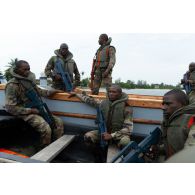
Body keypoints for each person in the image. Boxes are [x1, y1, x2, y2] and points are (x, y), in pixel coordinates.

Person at [5, 60, 64, 149]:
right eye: (24, 69)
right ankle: (44, 149)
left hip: (37, 109)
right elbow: (10, 108)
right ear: (17, 70)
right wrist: (31, 110)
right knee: (45, 127)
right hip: (24, 112)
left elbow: (41, 92)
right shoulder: (12, 85)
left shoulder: (29, 81)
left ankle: (56, 147)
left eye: (28, 69)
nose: (27, 71)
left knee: (58, 122)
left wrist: (53, 91)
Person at [70, 84, 133, 162]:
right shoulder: (103, 103)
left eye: (114, 92)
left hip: (118, 135)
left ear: (120, 94)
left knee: (125, 142)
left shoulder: (127, 108)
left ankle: (124, 161)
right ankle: (98, 159)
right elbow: (90, 100)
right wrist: (77, 94)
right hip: (104, 132)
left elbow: (128, 129)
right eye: (110, 91)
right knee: (88, 137)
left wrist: (111, 135)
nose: (111, 93)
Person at [152, 89, 195, 162]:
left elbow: (190, 151)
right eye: (163, 104)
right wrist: (159, 149)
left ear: (182, 105)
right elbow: (174, 145)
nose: (163, 107)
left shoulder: (191, 121)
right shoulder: (168, 120)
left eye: (168, 104)